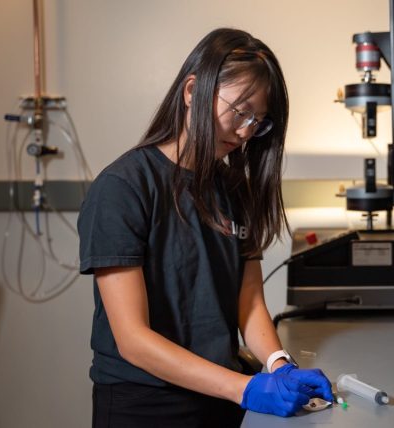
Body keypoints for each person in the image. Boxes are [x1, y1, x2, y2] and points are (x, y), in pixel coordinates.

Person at [77, 28, 334, 427]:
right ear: (193, 91)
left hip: (220, 398)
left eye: (259, 122)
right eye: (241, 112)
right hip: (146, 405)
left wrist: (278, 363)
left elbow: (247, 302)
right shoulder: (123, 188)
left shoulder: (235, 188)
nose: (247, 131)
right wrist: (244, 388)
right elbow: (133, 340)